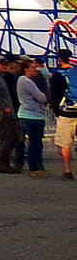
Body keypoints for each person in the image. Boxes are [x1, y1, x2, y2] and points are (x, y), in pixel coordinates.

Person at [16, 58, 49, 177]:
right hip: (33, 115)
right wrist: (44, 95)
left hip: (25, 114)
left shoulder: (22, 81)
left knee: (27, 141)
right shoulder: (27, 81)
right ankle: (34, 167)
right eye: (33, 68)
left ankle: (25, 164)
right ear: (26, 69)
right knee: (35, 142)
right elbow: (41, 97)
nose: (36, 70)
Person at [52, 49, 76, 180]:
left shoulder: (58, 75)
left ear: (59, 59)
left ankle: (67, 170)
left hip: (66, 113)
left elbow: (54, 95)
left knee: (65, 143)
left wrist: (56, 111)